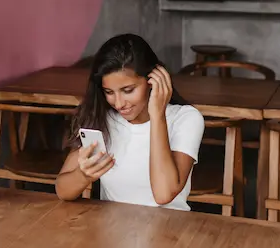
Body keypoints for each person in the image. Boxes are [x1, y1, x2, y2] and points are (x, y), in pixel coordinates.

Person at [55, 34, 204, 210]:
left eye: (128, 90)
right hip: (112, 224)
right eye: (109, 92)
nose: (119, 104)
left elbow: (163, 194)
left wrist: (157, 116)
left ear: (152, 81)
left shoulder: (186, 118)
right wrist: (83, 175)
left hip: (168, 225)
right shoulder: (102, 117)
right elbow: (62, 191)